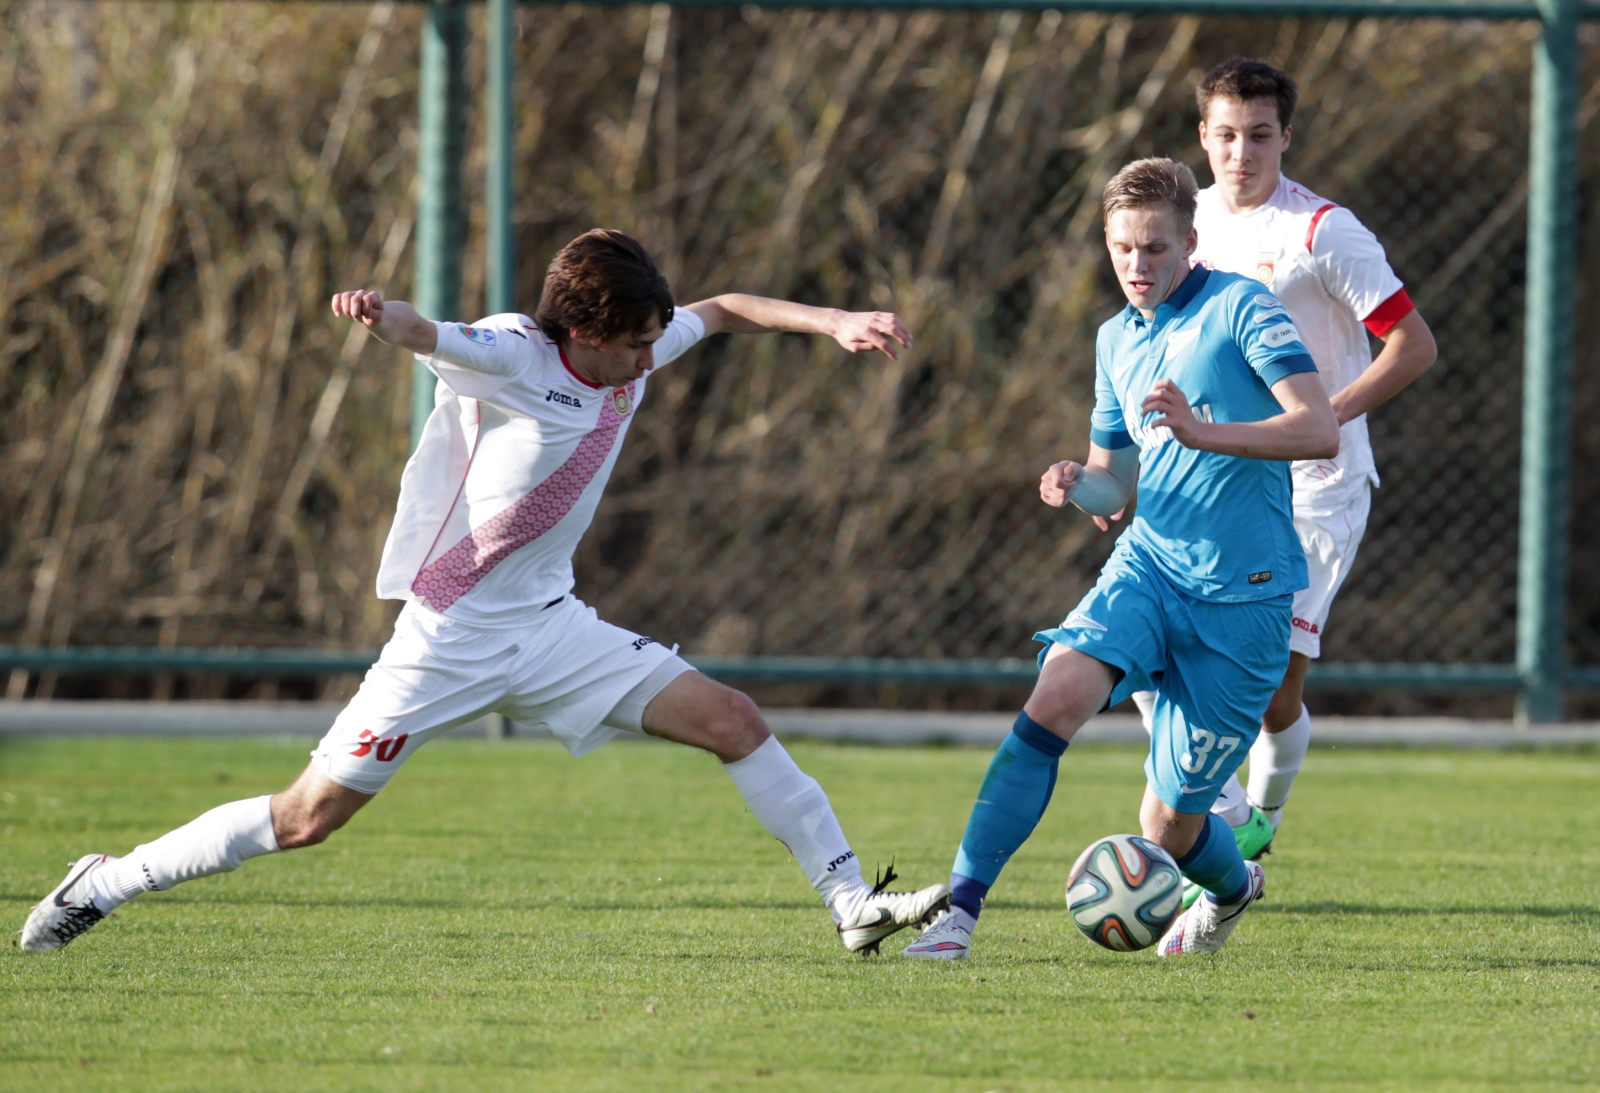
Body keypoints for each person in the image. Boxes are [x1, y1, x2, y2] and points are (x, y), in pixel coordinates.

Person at [21, 229, 949, 955]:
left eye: (654, 337)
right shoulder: (514, 352)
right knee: (306, 819)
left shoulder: (636, 345)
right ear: (582, 332)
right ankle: (103, 881)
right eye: (636, 343)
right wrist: (378, 316)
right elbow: (426, 332)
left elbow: (725, 308)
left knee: (733, 719)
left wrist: (832, 319)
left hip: (552, 631)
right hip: (448, 639)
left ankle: (851, 901)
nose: (650, 358)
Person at [903, 158, 1339, 959]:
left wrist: (1204, 431)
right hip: (1148, 569)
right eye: (1122, 248)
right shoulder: (1115, 338)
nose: (1137, 265)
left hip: (1243, 600)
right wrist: (1080, 483)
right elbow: (1115, 484)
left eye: (1155, 248)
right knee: (1055, 696)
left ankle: (1233, 886)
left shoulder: (1242, 307)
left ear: (1190, 242)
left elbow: (1318, 429)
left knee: (1167, 825)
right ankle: (958, 915)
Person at [1119, 59, 1437, 886]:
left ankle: (1256, 822)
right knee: (1144, 652)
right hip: (1215, 481)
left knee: (1269, 695)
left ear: (1285, 137)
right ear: (1202, 136)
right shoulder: (1184, 227)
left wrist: (1323, 420)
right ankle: (1228, 820)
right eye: (1226, 135)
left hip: (1314, 488)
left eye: (1259, 135)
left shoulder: (1322, 231)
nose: (1241, 153)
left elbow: (1414, 345)